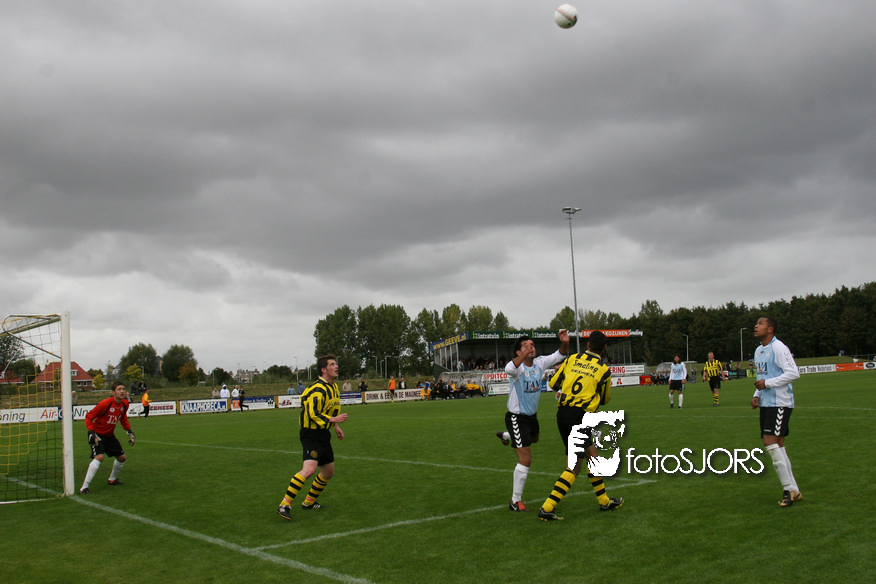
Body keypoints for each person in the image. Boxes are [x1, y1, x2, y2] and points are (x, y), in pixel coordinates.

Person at [537, 331, 624, 521]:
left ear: (588, 345)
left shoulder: (572, 359)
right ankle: (547, 507)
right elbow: (605, 399)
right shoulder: (603, 370)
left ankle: (604, 501)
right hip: (580, 417)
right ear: (604, 348)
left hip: (563, 413)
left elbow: (553, 384)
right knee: (575, 466)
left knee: (593, 457)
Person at [496, 330, 570, 512]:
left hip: (531, 417)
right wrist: (524, 354)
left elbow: (560, 354)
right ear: (518, 352)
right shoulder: (517, 368)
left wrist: (565, 342)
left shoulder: (539, 363)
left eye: (532, 344)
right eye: (525, 345)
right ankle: (515, 501)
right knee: (525, 459)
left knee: (534, 438)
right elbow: (508, 369)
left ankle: (507, 436)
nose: (531, 346)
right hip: (516, 417)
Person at [277, 354, 348, 521]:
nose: (336, 366)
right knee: (309, 469)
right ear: (323, 370)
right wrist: (333, 420)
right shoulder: (317, 389)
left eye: (336, 364)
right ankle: (284, 504)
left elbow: (332, 409)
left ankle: (308, 502)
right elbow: (312, 413)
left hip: (323, 433)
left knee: (328, 472)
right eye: (332, 364)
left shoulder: (334, 387)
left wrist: (336, 426)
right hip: (311, 433)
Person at [750, 316, 802, 507]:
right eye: (756, 323)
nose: (756, 326)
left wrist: (768, 384)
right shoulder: (758, 350)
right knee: (779, 446)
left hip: (780, 402)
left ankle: (788, 489)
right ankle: (794, 489)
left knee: (769, 442)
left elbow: (793, 373)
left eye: (761, 323)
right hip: (767, 403)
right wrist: (757, 394)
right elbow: (762, 376)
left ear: (770, 329)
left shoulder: (779, 347)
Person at [79, 381, 135, 494]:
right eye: (119, 389)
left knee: (122, 457)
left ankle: (112, 480)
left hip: (109, 436)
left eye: (123, 389)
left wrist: (129, 431)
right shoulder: (105, 404)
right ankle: (84, 487)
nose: (122, 391)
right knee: (99, 457)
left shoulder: (125, 404)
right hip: (97, 434)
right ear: (113, 392)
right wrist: (91, 432)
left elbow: (123, 417)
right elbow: (89, 417)